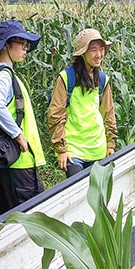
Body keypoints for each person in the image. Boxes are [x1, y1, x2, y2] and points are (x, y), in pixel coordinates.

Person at [0, 20, 47, 217]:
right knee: (31, 219)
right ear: (5, 46)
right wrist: (18, 135)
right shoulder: (4, 75)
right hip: (18, 162)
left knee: (8, 217)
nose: (26, 48)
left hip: (9, 161)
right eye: (21, 43)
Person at [48, 28, 117, 177]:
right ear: (82, 53)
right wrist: (61, 149)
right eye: (93, 50)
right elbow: (55, 114)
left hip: (98, 149)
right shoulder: (67, 78)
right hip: (73, 151)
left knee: (97, 198)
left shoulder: (103, 80)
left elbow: (108, 113)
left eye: (101, 49)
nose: (99, 55)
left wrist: (110, 143)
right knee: (78, 195)